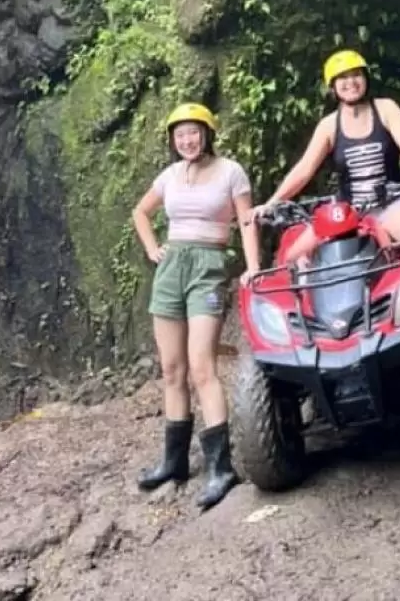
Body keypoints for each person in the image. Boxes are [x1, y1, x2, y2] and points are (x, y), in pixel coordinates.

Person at [132, 102, 260, 510]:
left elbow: (246, 220)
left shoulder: (230, 171)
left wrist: (253, 267)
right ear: (173, 140)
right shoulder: (170, 175)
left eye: (195, 132)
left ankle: (220, 466)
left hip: (208, 265)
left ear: (208, 134)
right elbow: (140, 211)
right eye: (180, 134)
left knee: (201, 364)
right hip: (172, 268)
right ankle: (174, 462)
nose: (187, 140)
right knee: (172, 368)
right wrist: (154, 248)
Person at [254, 49, 400, 264]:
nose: (351, 82)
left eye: (356, 75)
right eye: (343, 78)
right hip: (346, 212)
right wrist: (272, 203)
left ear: (365, 78)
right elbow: (305, 169)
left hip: (390, 203)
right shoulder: (329, 125)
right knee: (290, 258)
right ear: (333, 86)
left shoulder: (386, 108)